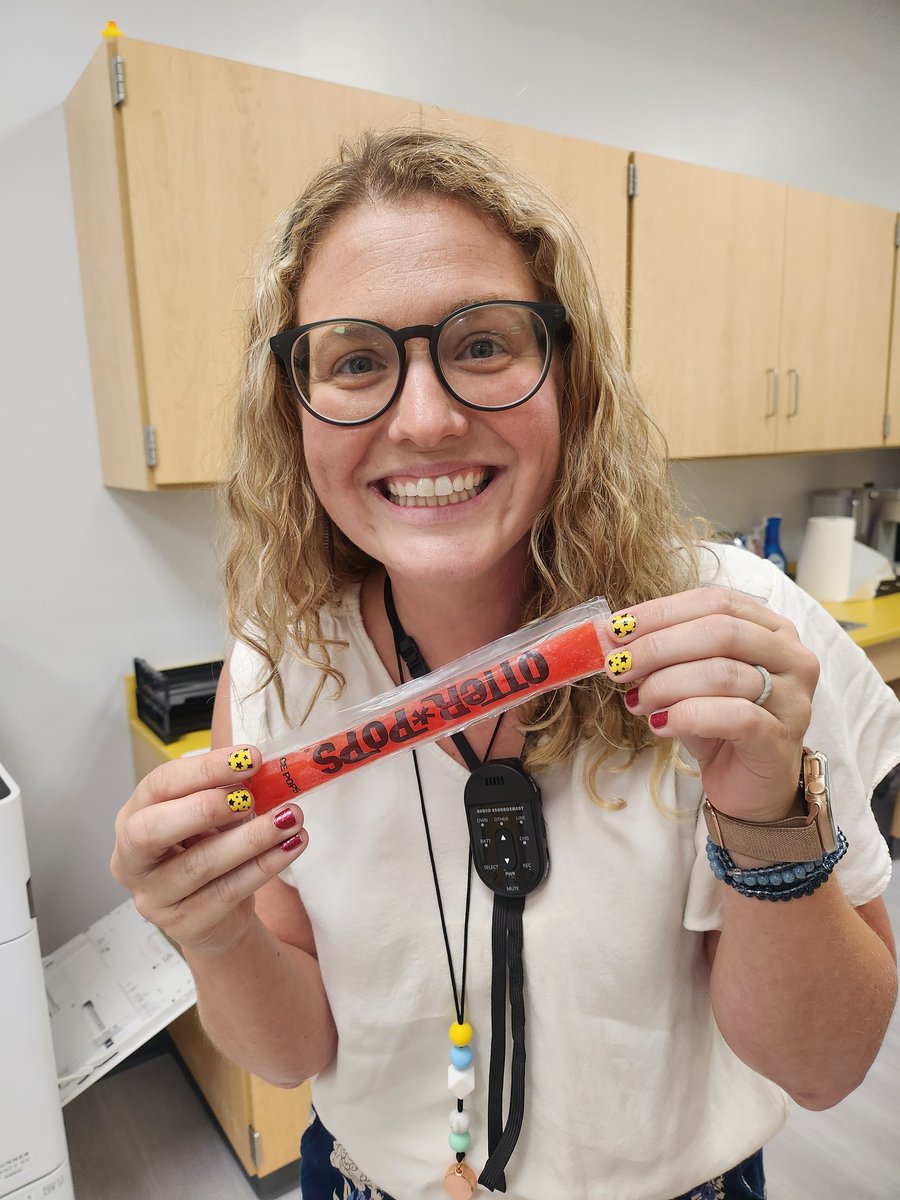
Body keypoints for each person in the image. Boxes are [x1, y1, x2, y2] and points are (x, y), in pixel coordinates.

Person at [112, 128, 900, 1200]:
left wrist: (765, 813)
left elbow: (826, 1065)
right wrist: (208, 934)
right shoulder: (275, 672)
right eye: (354, 361)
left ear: (565, 372)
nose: (427, 419)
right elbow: (294, 1052)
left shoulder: (740, 637)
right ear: (291, 408)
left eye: (482, 345)